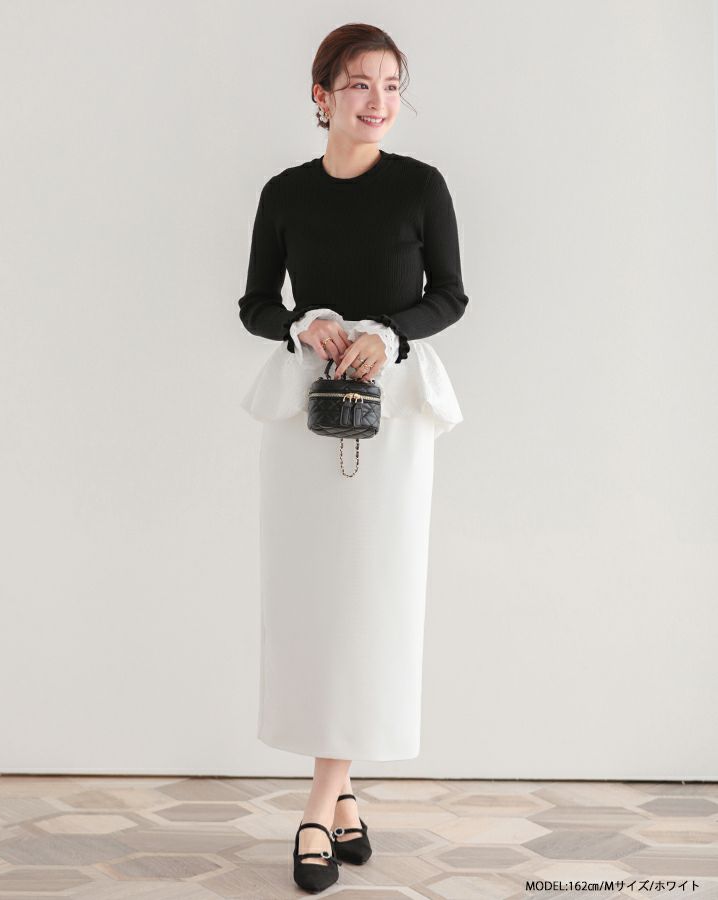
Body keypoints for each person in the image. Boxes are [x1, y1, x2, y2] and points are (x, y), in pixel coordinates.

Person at [237, 23, 468, 893]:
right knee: (313, 602)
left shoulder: (421, 186)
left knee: (374, 600)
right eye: (360, 84)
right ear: (322, 93)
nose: (379, 101)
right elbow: (256, 303)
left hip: (394, 413)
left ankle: (315, 803)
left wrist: (389, 334)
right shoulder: (285, 192)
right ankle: (343, 802)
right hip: (305, 414)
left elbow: (450, 295)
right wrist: (305, 321)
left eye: (392, 86)